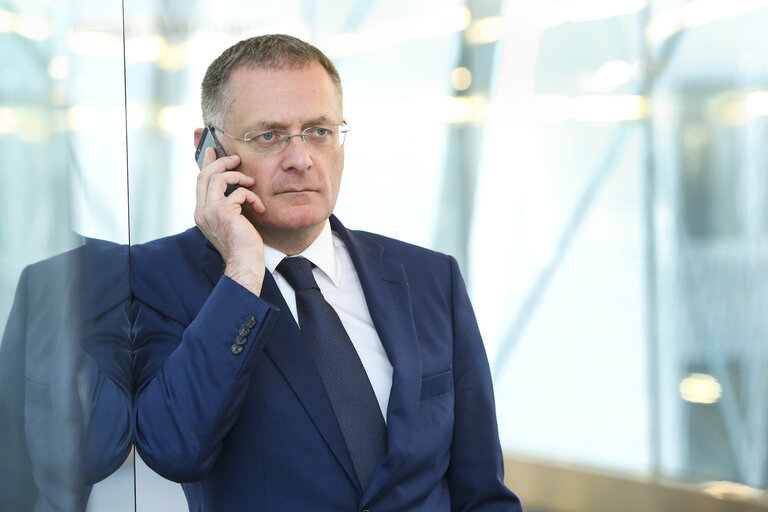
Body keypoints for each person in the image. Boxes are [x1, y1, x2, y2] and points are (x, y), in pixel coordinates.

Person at [130, 33, 522, 511]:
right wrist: (243, 271)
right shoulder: (156, 279)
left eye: (319, 131)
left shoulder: (430, 277)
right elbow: (174, 449)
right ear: (208, 151)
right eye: (269, 135)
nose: (301, 159)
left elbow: (481, 491)